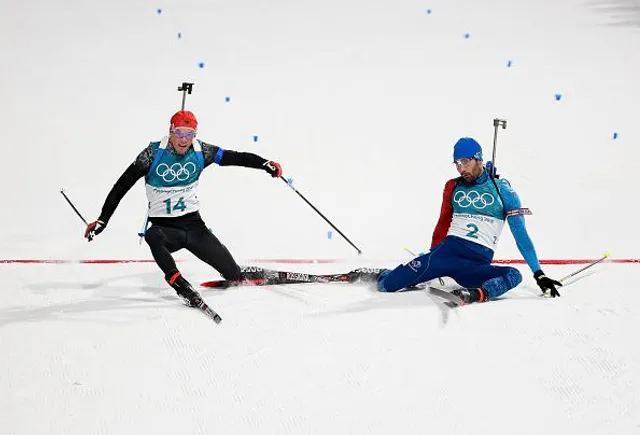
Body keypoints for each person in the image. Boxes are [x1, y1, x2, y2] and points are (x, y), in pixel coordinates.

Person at [83, 110, 283, 307]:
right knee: (152, 236)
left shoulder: (201, 151)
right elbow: (121, 186)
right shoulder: (152, 154)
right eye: (179, 132)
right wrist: (103, 220)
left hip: (194, 227)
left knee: (233, 275)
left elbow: (236, 157)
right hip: (165, 230)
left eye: (189, 134)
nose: (183, 139)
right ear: (171, 131)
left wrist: (264, 164)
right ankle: (179, 284)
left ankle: (234, 270)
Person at [375, 137, 562, 303]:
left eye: (465, 161)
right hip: (445, 255)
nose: (461, 168)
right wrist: (432, 254)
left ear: (478, 159)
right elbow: (443, 222)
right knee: (387, 285)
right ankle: (379, 273)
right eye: (457, 163)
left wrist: (539, 274)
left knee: (514, 275)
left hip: (475, 264)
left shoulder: (503, 191)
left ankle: (475, 294)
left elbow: (521, 235)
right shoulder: (453, 186)